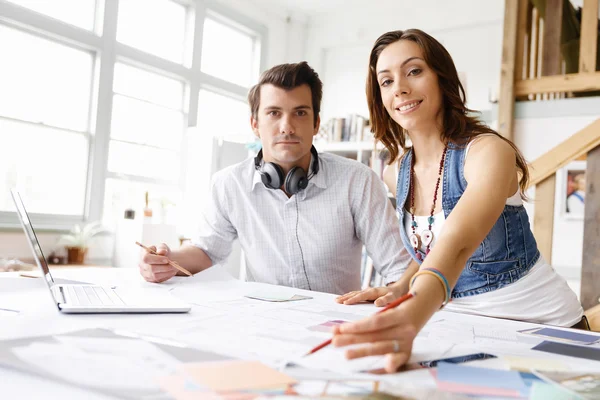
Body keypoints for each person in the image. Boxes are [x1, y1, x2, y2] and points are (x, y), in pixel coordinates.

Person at [333, 29, 585, 372]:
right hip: (464, 330)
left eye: (414, 71)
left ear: (442, 78)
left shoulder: (487, 152)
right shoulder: (396, 170)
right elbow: (431, 247)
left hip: (545, 330)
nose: (401, 88)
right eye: (386, 81)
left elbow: (458, 243)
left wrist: (414, 313)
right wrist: (399, 287)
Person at [138, 61, 413, 295]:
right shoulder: (228, 184)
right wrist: (167, 260)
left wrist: (389, 305)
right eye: (274, 113)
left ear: (316, 123)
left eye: (300, 113)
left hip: (336, 327)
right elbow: (207, 252)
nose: (287, 127)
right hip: (262, 324)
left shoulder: (358, 180)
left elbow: (398, 267)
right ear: (255, 124)